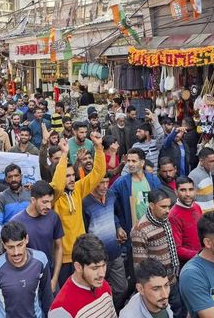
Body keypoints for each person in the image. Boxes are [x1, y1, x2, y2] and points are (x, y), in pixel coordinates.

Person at [51, 135, 105, 287]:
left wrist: (98, 148)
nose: (71, 179)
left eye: (72, 175)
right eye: (66, 176)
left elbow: (98, 174)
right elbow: (57, 185)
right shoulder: (54, 196)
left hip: (80, 255)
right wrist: (63, 154)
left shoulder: (78, 189)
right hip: (61, 259)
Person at [0, 221, 53, 318]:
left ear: (26, 240)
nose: (16, 252)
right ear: (4, 245)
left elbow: (47, 297)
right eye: (10, 247)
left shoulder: (41, 260)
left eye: (20, 245)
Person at [131, 189, 184, 317]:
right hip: (157, 287)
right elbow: (140, 266)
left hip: (172, 280)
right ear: (151, 205)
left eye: (169, 206)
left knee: (177, 312)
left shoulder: (165, 220)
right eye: (163, 207)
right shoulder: (140, 230)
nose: (167, 210)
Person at [82, 176, 128, 311]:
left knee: (121, 288)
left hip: (115, 251)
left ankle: (111, 310)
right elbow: (84, 229)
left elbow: (115, 214)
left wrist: (118, 227)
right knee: (97, 290)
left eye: (107, 182)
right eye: (100, 182)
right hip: (96, 257)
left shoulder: (111, 196)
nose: (104, 186)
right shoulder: (85, 202)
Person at [11, 181, 64, 292]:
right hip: (26, 282)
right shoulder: (16, 222)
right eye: (44, 202)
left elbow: (59, 248)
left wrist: (54, 279)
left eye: (50, 202)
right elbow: (10, 255)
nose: (49, 206)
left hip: (49, 279)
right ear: (33, 200)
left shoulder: (53, 217)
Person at [48, 234, 117, 318]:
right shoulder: (62, 309)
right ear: (78, 267)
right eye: (95, 268)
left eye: (103, 265)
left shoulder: (104, 285)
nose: (102, 274)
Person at [108, 147, 162, 237]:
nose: (130, 164)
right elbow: (108, 207)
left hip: (153, 231)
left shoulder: (154, 181)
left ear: (142, 163)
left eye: (134, 161)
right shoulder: (120, 183)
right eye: (128, 161)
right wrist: (118, 226)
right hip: (132, 234)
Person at [168, 177, 203, 265]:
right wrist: (200, 255)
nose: (188, 194)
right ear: (176, 192)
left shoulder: (197, 207)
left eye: (190, 190)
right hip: (189, 264)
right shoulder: (173, 216)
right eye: (183, 190)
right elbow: (177, 249)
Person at [0, 164, 31, 237]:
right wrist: (6, 238)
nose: (13, 179)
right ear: (6, 179)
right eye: (10, 177)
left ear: (21, 177)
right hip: (11, 242)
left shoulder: (31, 193)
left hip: (31, 238)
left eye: (16, 176)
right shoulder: (2, 198)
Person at [188, 147, 214, 214]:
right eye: (211, 161)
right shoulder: (194, 175)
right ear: (201, 161)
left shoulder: (209, 172)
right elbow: (189, 199)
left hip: (209, 216)